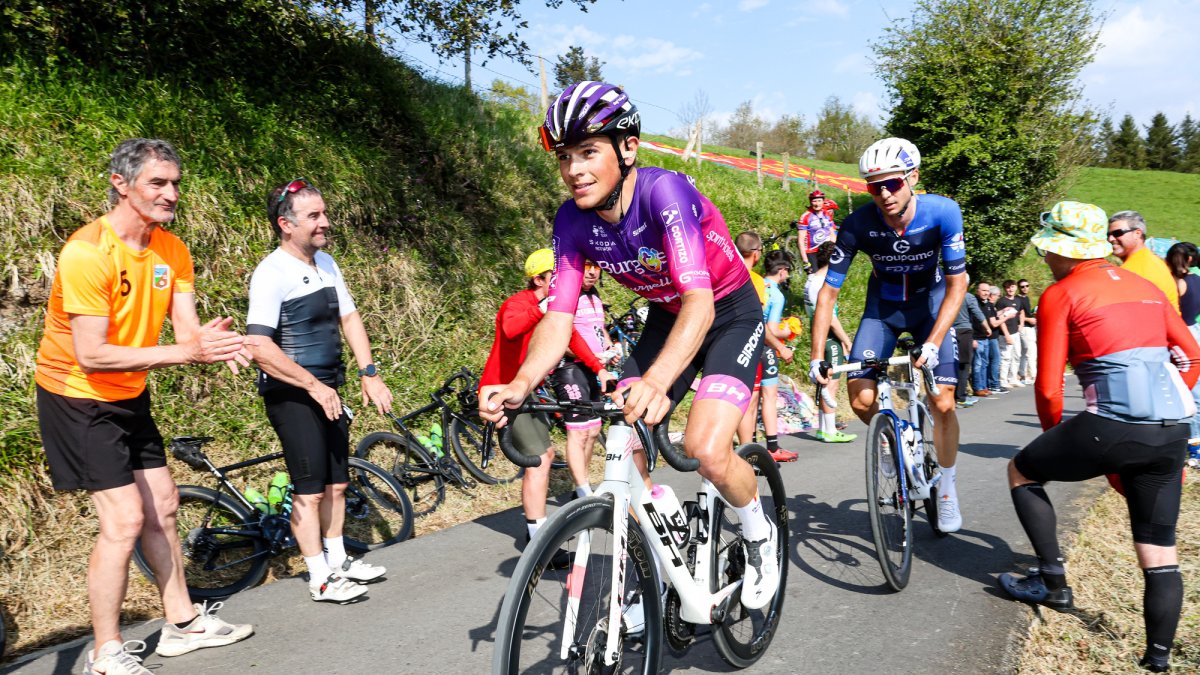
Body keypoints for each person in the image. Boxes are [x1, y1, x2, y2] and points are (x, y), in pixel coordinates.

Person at [483, 81, 782, 610]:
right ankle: (661, 561)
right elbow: (558, 316)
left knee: (707, 450)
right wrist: (521, 382)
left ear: (628, 148)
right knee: (626, 444)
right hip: (668, 318)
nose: (574, 168)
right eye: (565, 156)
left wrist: (658, 380)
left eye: (589, 152)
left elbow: (701, 301)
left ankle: (760, 534)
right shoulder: (571, 220)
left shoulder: (664, 194)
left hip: (727, 310)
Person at [34, 138, 253, 674]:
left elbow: (185, 334)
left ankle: (181, 624)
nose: (171, 192)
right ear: (121, 184)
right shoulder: (88, 252)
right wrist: (187, 350)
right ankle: (105, 653)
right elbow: (91, 354)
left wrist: (211, 343)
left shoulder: (171, 250)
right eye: (158, 182)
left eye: (175, 182)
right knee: (125, 519)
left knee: (165, 504)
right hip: (76, 394)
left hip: (129, 389)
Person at [999, 200, 1198, 674]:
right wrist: (1161, 403)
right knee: (1159, 550)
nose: (1045, 258)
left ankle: (1053, 584)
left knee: (1022, 470)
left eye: (1048, 251)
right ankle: (1158, 660)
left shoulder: (1061, 293)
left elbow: (1048, 386)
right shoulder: (1148, 285)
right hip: (1171, 429)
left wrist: (1062, 442)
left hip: (1108, 426)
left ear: (1066, 251)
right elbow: (1191, 355)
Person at [245, 178, 394, 603]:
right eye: (314, 216)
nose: (325, 222)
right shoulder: (271, 273)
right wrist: (311, 385)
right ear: (286, 224)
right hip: (292, 393)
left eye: (324, 213)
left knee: (337, 485)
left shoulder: (326, 263)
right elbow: (258, 345)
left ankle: (339, 560)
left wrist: (369, 371)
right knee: (309, 491)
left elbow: (350, 318)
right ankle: (320, 578)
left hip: (329, 389)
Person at [809, 137, 969, 533]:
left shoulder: (943, 213)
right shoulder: (857, 225)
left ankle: (946, 488)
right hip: (883, 311)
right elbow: (828, 293)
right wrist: (816, 357)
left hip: (930, 308)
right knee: (861, 398)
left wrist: (934, 341)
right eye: (873, 185)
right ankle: (889, 442)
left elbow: (957, 285)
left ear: (912, 177)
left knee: (943, 402)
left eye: (893, 183)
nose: (883, 193)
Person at [479, 248, 610, 567]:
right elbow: (511, 328)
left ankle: (535, 532)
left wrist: (598, 367)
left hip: (531, 391)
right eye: (558, 276)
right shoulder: (519, 303)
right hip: (505, 391)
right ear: (539, 279)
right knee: (540, 460)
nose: (567, 281)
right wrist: (545, 306)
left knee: (545, 456)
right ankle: (538, 542)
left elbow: (572, 338)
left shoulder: (553, 309)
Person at [554, 258, 619, 497]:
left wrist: (610, 348)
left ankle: (580, 487)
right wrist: (590, 356)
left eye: (596, 268)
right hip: (571, 368)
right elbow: (563, 336)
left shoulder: (595, 296)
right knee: (578, 431)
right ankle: (583, 492)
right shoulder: (567, 296)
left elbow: (598, 328)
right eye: (587, 267)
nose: (592, 273)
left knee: (593, 430)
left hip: (596, 369)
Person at [734, 232, 797, 462]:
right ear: (756, 253)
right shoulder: (760, 284)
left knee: (746, 399)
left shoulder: (729, 272)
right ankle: (758, 450)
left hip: (730, 343)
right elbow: (760, 322)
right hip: (757, 345)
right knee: (759, 398)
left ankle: (749, 449)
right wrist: (786, 336)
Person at [802, 241, 856, 441]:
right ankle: (830, 430)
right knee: (831, 383)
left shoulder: (811, 279)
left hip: (817, 333)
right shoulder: (823, 282)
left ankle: (824, 427)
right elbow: (830, 318)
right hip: (828, 336)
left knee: (824, 380)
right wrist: (846, 340)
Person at [1108, 210, 1180, 312]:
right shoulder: (1150, 259)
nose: (1110, 239)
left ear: (1137, 233)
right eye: (1108, 234)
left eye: (1117, 233)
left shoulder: (1133, 271)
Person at [1166, 242, 1200, 455]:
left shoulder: (1176, 283)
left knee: (1185, 391)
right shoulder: (1197, 279)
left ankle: (1193, 445)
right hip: (1196, 330)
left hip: (1180, 334)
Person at [952, 274, 985, 408]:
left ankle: (954, 396)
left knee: (953, 366)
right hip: (964, 332)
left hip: (949, 332)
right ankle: (961, 398)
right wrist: (987, 327)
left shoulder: (947, 295)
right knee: (964, 366)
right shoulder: (968, 297)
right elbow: (978, 314)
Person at [796, 189, 838, 274]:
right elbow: (801, 240)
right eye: (814, 201)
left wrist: (833, 249)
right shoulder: (806, 217)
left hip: (825, 251)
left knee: (828, 277)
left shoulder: (826, 214)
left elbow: (832, 233)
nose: (817, 203)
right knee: (815, 277)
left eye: (819, 201)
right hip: (812, 252)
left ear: (823, 201)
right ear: (811, 202)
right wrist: (805, 261)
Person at [995, 280, 1025, 388]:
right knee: (1006, 357)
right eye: (1007, 287)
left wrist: (1021, 324)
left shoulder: (1018, 300)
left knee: (1017, 356)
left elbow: (1021, 312)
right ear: (1004, 289)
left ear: (1015, 288)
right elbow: (1000, 319)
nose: (1010, 289)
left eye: (1012, 287)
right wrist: (1006, 334)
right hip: (1004, 334)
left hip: (1016, 332)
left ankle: (1013, 379)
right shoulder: (1001, 302)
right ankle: (1003, 380)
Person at [970, 282, 996, 397]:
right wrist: (972, 338)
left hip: (985, 338)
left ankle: (984, 386)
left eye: (987, 291)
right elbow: (969, 321)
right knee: (977, 364)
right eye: (983, 290)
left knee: (984, 363)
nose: (986, 293)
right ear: (977, 291)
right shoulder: (973, 302)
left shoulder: (987, 304)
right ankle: (977, 387)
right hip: (976, 337)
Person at [987, 287, 1008, 394]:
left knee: (991, 361)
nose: (998, 297)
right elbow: (994, 323)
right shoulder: (989, 306)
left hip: (992, 338)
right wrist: (1005, 317)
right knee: (995, 361)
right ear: (992, 295)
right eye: (998, 295)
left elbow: (993, 316)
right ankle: (994, 384)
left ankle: (991, 383)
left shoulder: (990, 307)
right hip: (991, 338)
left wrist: (1002, 311)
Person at [1016, 279, 1037, 385]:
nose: (1025, 288)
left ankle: (1023, 374)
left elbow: (1027, 313)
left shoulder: (1026, 298)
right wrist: (1029, 320)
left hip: (1030, 327)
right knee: (1030, 352)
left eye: (1027, 286)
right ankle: (1033, 375)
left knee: (1026, 352)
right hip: (1024, 328)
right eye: (1022, 286)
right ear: (1019, 288)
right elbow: (1017, 314)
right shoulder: (1017, 299)